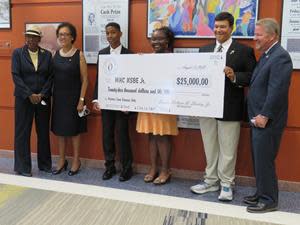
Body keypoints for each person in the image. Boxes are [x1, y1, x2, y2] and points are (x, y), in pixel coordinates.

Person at [190, 12, 256, 200]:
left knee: (227, 148)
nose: (218, 30)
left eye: (223, 27)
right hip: (206, 107)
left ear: (231, 28)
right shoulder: (205, 50)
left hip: (230, 107)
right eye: (216, 26)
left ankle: (226, 184)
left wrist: (234, 76)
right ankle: (210, 181)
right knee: (210, 146)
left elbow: (253, 76)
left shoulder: (244, 51)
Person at [244, 18, 293, 213]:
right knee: (259, 158)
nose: (254, 37)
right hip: (257, 119)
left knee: (265, 160)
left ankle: (269, 199)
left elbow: (277, 91)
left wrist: (265, 114)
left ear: (272, 36)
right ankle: (261, 192)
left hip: (267, 120)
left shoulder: (280, 57)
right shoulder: (266, 55)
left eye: (258, 34)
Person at [136, 26, 178, 185]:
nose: (156, 42)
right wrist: (138, 63)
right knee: (151, 136)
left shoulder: (174, 59)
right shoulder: (146, 58)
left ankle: (166, 170)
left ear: (167, 41)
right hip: (148, 103)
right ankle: (153, 168)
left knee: (162, 136)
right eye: (153, 39)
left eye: (160, 39)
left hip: (164, 104)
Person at [93, 22, 133, 182]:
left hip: (122, 103)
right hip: (107, 102)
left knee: (122, 135)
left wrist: (130, 104)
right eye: (107, 33)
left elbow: (132, 81)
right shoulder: (102, 54)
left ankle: (126, 168)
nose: (110, 36)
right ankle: (110, 167)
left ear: (120, 34)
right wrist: (96, 98)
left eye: (113, 33)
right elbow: (99, 78)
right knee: (107, 135)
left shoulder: (129, 55)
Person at [11, 25, 53, 177]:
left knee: (43, 132)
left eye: (33, 37)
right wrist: (29, 94)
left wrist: (41, 94)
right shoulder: (17, 53)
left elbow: (50, 77)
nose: (30, 39)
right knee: (22, 132)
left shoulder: (47, 55)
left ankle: (45, 164)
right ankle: (22, 167)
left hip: (43, 99)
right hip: (23, 99)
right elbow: (16, 76)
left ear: (39, 39)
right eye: (27, 36)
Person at [51, 22, 89, 176]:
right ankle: (61, 160)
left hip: (75, 98)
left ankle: (76, 160)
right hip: (59, 98)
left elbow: (85, 79)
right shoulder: (55, 54)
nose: (63, 37)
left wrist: (81, 100)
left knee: (74, 131)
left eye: (66, 34)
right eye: (60, 34)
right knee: (60, 131)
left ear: (72, 37)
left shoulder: (78, 54)